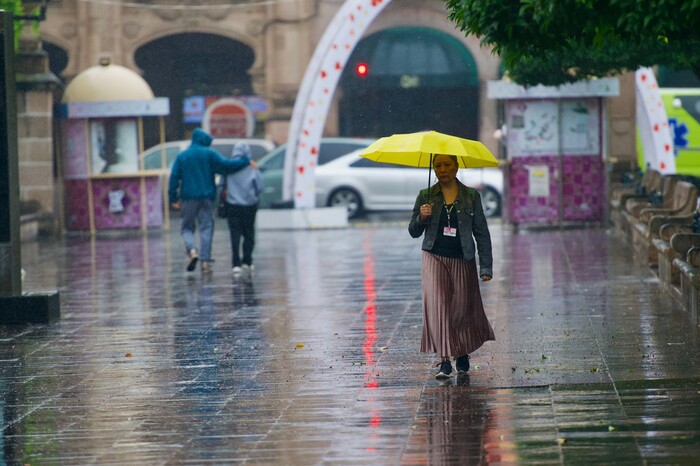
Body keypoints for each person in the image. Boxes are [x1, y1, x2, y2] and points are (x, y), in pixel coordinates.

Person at [408, 154, 496, 379]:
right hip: (433, 257)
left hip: (463, 258)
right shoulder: (425, 195)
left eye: (447, 164)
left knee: (462, 309)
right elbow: (413, 231)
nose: (442, 169)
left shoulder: (470, 196)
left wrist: (485, 267)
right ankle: (444, 360)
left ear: (456, 167)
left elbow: (481, 232)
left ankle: (462, 351)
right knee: (438, 307)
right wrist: (421, 216)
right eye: (437, 165)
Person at [168, 128, 251, 273]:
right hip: (206, 197)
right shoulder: (209, 154)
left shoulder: (182, 156)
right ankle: (205, 261)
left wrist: (173, 197)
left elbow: (174, 177)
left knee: (187, 227)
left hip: (188, 198)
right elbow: (226, 166)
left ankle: (192, 250)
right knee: (206, 227)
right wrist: (245, 161)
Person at [223, 142, 264, 277]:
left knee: (235, 234)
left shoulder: (229, 166)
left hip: (232, 205)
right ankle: (247, 260)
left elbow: (222, 185)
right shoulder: (252, 167)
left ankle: (235, 263)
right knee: (249, 233)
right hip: (249, 205)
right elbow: (260, 187)